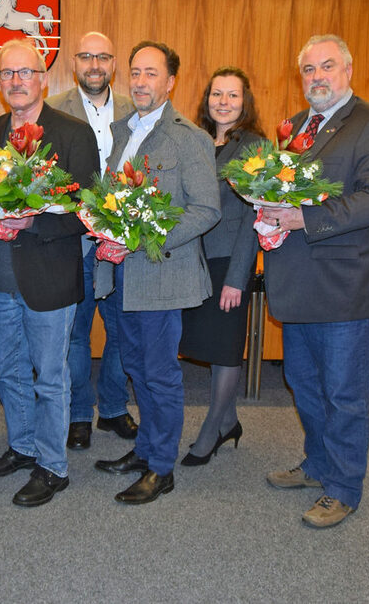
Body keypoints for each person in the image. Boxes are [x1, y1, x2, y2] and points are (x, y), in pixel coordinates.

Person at [260, 34, 369, 528]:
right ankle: (319, 465)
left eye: (327, 67)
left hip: (346, 288)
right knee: (303, 384)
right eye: (308, 70)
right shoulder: (295, 127)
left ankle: (343, 489)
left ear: (348, 70)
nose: (317, 77)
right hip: (298, 283)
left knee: (343, 395)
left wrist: (303, 219)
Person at [93, 41, 220, 504]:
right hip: (121, 274)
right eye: (136, 72)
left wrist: (145, 240)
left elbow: (206, 210)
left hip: (162, 275)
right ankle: (146, 449)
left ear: (170, 82)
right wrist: (104, 230)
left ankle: (161, 466)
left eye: (151, 73)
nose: (141, 81)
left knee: (160, 373)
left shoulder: (190, 138)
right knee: (136, 367)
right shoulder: (124, 132)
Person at [0, 39, 97, 507]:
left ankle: (53, 465)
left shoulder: (72, 134)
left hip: (49, 278)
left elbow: (87, 211)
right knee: (9, 372)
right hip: (0, 280)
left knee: (50, 376)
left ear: (43, 77)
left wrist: (33, 220)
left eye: (25, 72)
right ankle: (22, 447)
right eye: (7, 74)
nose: (16, 81)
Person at [46, 31, 137, 450]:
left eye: (103, 56)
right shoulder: (53, 110)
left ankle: (114, 409)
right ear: (74, 63)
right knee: (77, 333)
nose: (95, 64)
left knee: (122, 330)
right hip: (75, 238)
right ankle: (81, 413)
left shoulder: (136, 109)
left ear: (113, 64)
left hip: (125, 241)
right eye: (86, 56)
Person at [179, 67, 264, 465]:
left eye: (232, 95)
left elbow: (253, 216)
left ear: (244, 102)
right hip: (193, 259)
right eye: (217, 94)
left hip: (230, 259)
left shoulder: (255, 148)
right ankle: (230, 421)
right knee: (210, 345)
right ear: (206, 99)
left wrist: (237, 278)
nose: (223, 102)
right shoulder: (195, 141)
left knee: (226, 348)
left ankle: (211, 429)